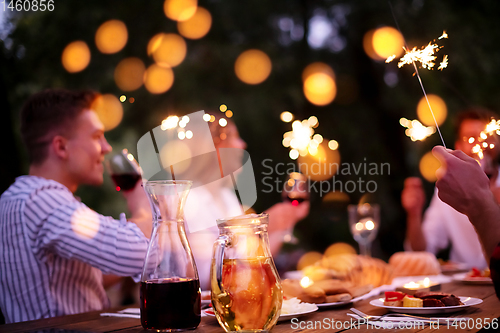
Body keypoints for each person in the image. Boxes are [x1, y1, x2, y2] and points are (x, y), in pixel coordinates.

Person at [0, 89, 151, 323]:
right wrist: (143, 203)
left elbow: (82, 278)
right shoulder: (40, 200)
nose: (106, 147)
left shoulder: (19, 198)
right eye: (96, 136)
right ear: (61, 147)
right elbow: (138, 253)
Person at [183, 113, 310, 290]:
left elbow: (251, 264)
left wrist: (281, 225)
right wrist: (262, 227)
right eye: (234, 137)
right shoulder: (189, 200)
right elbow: (208, 278)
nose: (242, 144)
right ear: (215, 148)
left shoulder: (227, 197)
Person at [402, 108, 500, 268]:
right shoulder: (448, 190)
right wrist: (414, 213)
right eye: (470, 138)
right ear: (458, 146)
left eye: (487, 136)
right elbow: (421, 251)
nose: (480, 144)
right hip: (466, 287)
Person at [432, 146, 500, 298]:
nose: (477, 145)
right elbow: (425, 247)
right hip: (462, 292)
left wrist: (484, 204)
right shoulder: (445, 186)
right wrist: (414, 212)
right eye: (469, 138)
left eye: (482, 135)